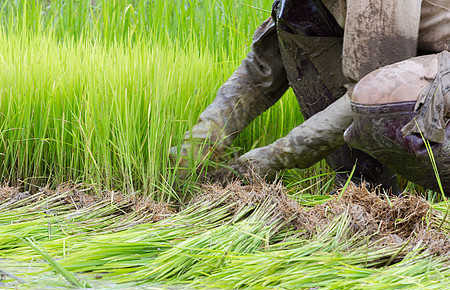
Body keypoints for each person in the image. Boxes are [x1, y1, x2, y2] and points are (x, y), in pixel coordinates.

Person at [171, 0, 450, 193]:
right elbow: (263, 68)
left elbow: (366, 91)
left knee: (374, 97)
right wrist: (202, 139)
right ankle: (365, 191)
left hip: (442, 73)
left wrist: (271, 159)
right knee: (296, 22)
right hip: (415, 74)